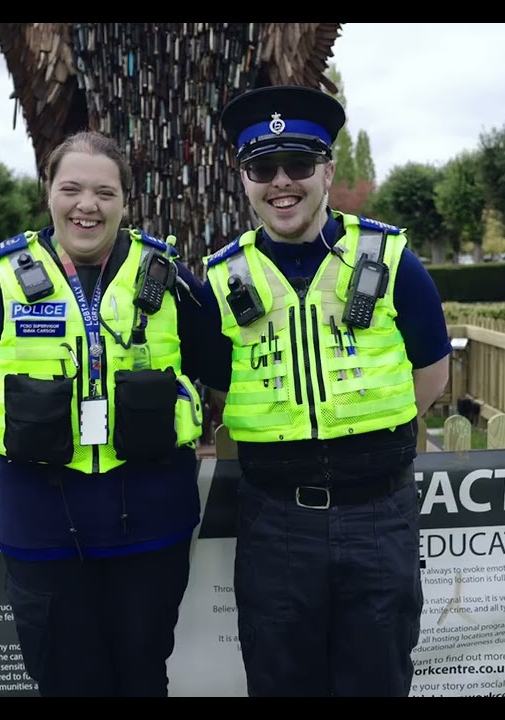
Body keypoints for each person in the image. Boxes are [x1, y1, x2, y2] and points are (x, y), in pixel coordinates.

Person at [0, 130, 210, 698]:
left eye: (105, 192)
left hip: (149, 527)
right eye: (72, 188)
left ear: (126, 201)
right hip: (44, 525)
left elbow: (219, 361)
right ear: (48, 192)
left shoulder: (167, 277)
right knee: (65, 680)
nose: (87, 205)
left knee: (142, 677)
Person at [196, 85, 453, 697]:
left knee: (377, 680)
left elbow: (433, 372)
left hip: (377, 515)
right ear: (244, 178)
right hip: (277, 522)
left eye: (299, 165)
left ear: (327, 171)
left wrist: (363, 433)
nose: (281, 182)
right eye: (262, 167)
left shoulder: (390, 259)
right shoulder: (220, 280)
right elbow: (214, 381)